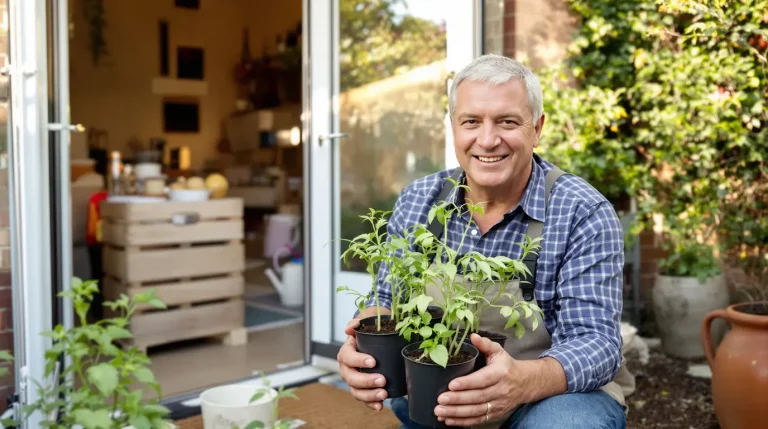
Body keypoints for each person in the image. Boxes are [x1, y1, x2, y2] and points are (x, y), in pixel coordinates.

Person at [336, 54, 630, 429]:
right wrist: (360, 349)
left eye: (507, 122)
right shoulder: (420, 198)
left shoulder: (581, 211)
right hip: (440, 400)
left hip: (547, 400)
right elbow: (387, 301)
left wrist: (520, 382)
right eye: (471, 122)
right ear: (453, 128)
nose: (488, 140)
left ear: (537, 129)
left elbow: (596, 343)